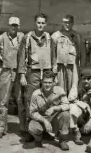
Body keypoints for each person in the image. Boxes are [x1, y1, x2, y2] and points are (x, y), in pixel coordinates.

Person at [18, 13, 56, 141]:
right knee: (30, 101)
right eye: (38, 22)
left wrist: (53, 74)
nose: (40, 25)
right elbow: (22, 57)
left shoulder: (49, 38)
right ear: (35, 23)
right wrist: (22, 75)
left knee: (47, 101)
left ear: (45, 24)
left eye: (42, 23)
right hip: (32, 73)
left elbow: (53, 57)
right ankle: (30, 130)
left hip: (46, 73)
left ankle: (45, 129)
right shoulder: (27, 38)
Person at [0, 16, 24, 138]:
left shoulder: (22, 37)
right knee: (3, 102)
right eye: (12, 25)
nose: (14, 27)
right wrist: (2, 65)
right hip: (6, 72)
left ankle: (23, 128)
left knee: (21, 101)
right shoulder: (1, 38)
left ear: (19, 26)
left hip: (19, 72)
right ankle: (1, 128)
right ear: (8, 25)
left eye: (16, 25)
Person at [28, 71, 70, 150]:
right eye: (45, 82)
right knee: (32, 127)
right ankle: (38, 139)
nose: (47, 85)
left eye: (50, 82)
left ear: (54, 82)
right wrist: (45, 121)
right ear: (41, 82)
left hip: (55, 118)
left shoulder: (59, 91)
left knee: (66, 115)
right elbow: (32, 113)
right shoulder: (36, 94)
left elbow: (67, 105)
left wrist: (55, 108)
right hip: (42, 119)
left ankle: (62, 140)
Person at [51, 14, 83, 99]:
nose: (67, 24)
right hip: (59, 67)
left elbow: (82, 52)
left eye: (69, 22)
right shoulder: (55, 36)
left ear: (73, 23)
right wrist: (53, 66)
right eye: (65, 22)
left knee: (73, 90)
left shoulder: (77, 36)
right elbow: (52, 53)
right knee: (60, 90)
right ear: (62, 23)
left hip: (73, 67)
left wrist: (81, 68)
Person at [69, 66, 91, 145]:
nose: (86, 81)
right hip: (84, 116)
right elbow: (71, 100)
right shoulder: (79, 87)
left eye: (88, 78)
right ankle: (76, 131)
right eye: (84, 78)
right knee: (72, 106)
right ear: (81, 78)